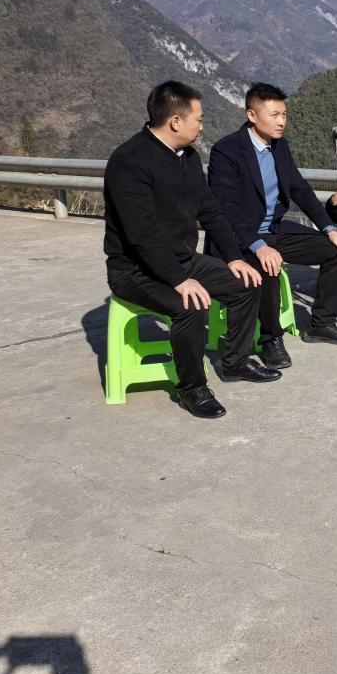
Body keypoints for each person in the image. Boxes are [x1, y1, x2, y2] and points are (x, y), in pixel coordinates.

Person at [104, 81, 279, 420]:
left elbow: (211, 211)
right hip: (134, 270)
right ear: (175, 121)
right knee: (191, 305)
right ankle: (192, 388)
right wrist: (179, 280)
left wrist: (234, 257)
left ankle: (235, 362)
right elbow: (142, 235)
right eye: (198, 119)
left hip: (182, 259)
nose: (201, 126)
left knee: (247, 283)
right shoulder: (129, 162)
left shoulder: (187, 157)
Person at [207, 83, 337, 367]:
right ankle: (270, 339)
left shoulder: (280, 147)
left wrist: (330, 229)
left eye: (284, 115)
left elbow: (300, 190)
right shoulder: (227, 150)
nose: (281, 121)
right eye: (274, 115)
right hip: (241, 237)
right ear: (252, 115)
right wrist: (257, 245)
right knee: (268, 264)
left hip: (274, 229)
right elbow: (227, 207)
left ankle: (321, 324)